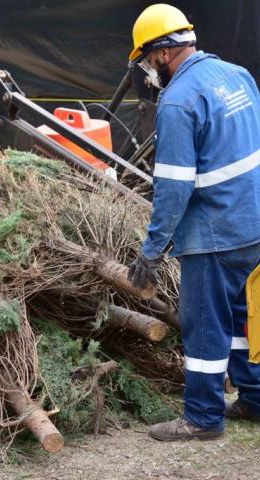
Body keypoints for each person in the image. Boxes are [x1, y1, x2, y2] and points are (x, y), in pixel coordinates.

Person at [128, 4, 260, 441]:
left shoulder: (179, 100)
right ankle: (255, 398)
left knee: (205, 325)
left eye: (147, 60)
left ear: (163, 53)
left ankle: (203, 418)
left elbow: (173, 188)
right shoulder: (237, 75)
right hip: (253, 223)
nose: (148, 70)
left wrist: (152, 250)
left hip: (214, 235)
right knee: (245, 318)